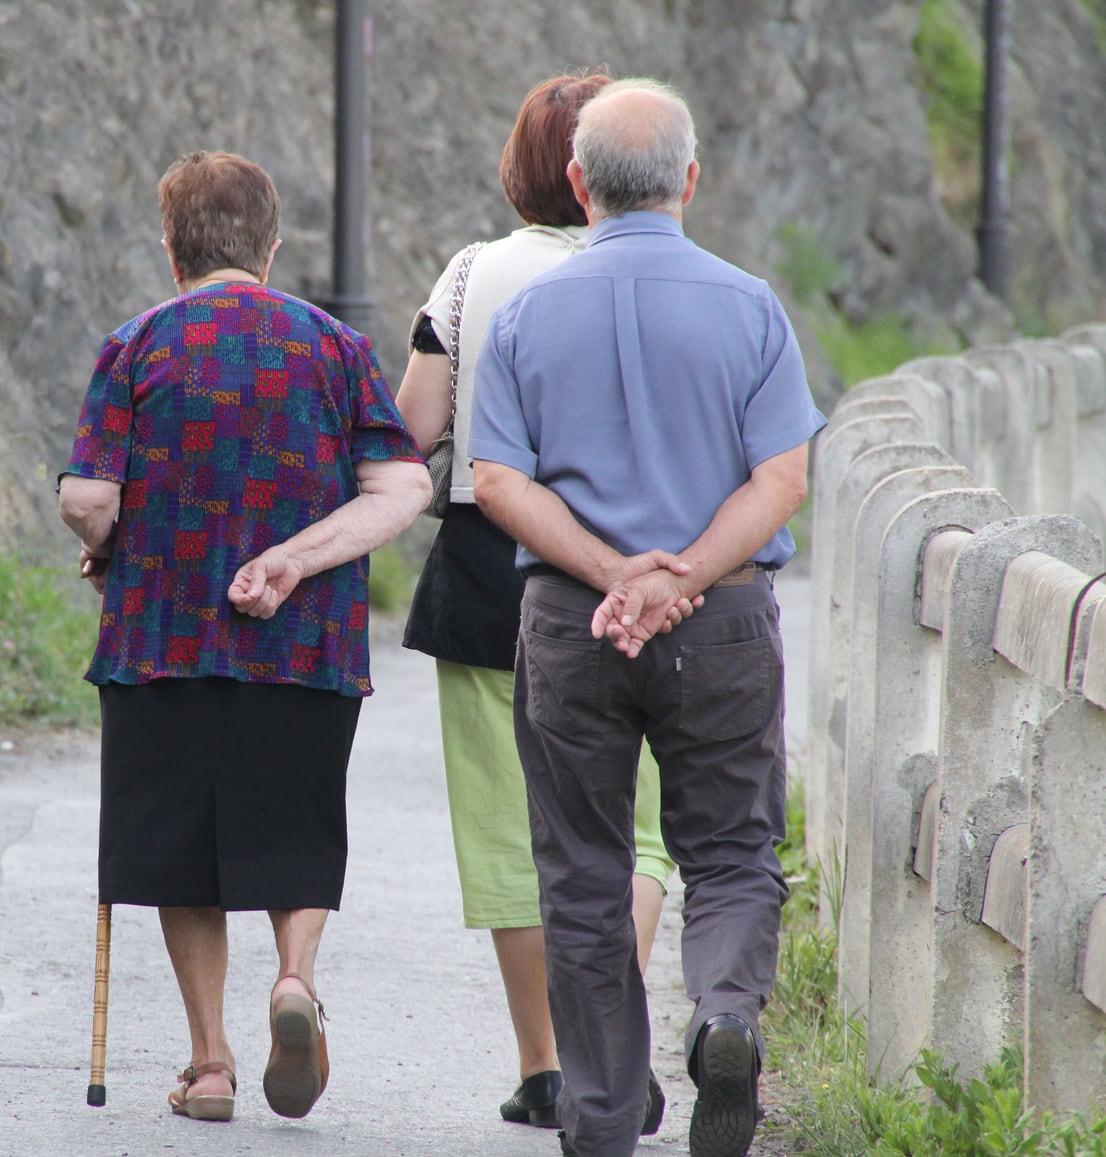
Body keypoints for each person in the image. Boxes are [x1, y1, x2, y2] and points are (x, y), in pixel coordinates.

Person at [470, 78, 827, 1157]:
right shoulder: (751, 304)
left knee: (581, 864)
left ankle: (603, 1115)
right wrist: (678, 577)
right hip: (717, 619)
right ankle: (723, 1010)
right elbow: (781, 477)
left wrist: (611, 571)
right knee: (728, 848)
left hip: (569, 626)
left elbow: (494, 477)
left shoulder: (529, 311)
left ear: (577, 186)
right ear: (690, 179)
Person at [57, 150, 430, 1125]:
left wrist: (113, 545)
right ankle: (295, 981)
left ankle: (210, 1061)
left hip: (163, 639)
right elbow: (402, 485)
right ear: (270, 248)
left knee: (184, 850)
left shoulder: (135, 343)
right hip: (306, 648)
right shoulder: (335, 348)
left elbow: (89, 496)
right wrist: (299, 559)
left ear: (172, 247)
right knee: (294, 828)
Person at [392, 71, 680, 1136]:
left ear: (534, 165)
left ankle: (547, 1065)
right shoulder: (665, 274)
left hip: (485, 568)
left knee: (512, 830)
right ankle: (620, 1043)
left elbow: (413, 430)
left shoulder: (471, 276)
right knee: (637, 825)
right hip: (641, 573)